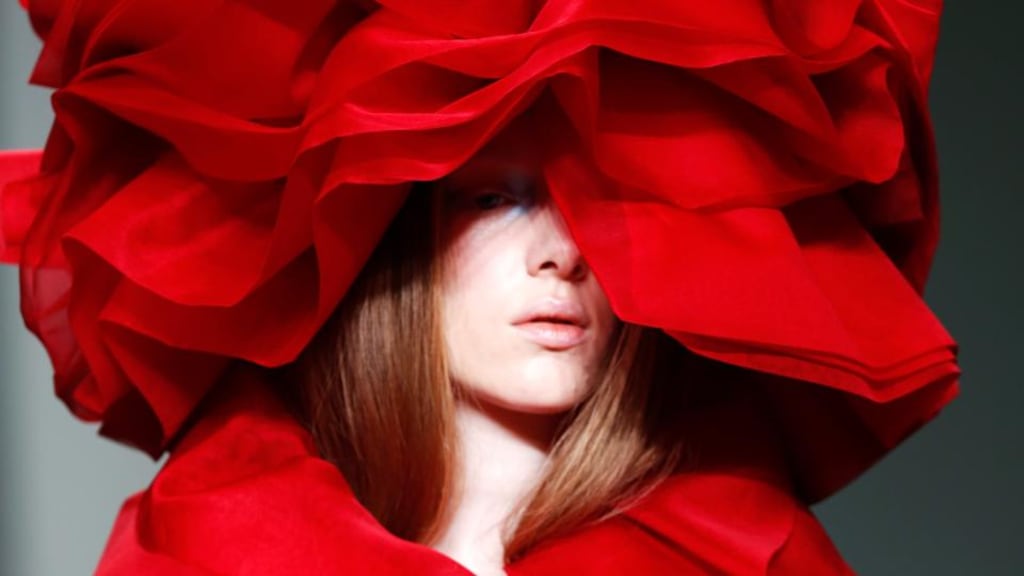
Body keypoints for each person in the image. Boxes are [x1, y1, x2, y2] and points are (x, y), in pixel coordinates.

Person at [0, 1, 960, 574]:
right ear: (384, 232)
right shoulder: (208, 540)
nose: (564, 255)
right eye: (495, 198)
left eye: (608, 204)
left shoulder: (750, 549)